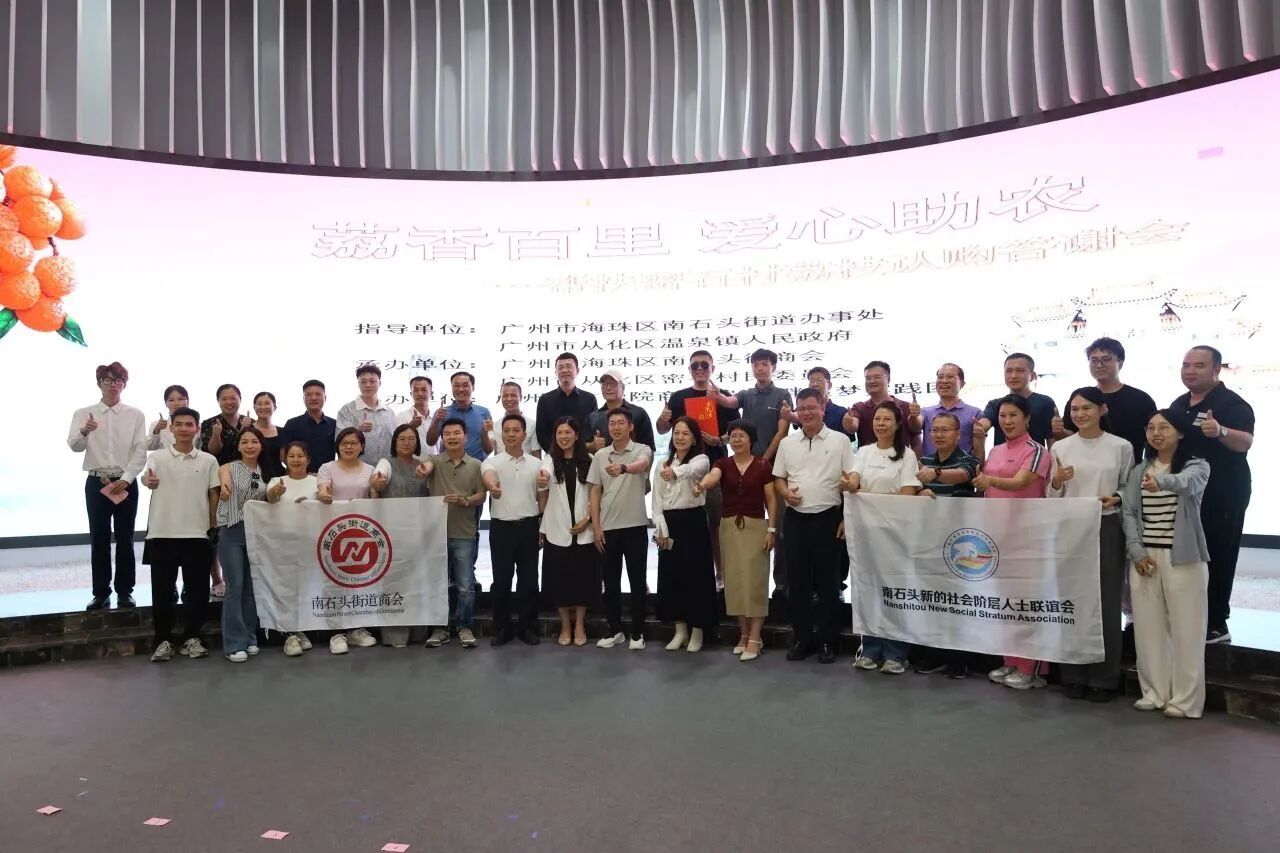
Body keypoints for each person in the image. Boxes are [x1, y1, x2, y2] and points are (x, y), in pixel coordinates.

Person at [1121, 410, 1210, 719]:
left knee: (1188, 630)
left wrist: (1161, 481)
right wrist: (1137, 552)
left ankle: (1186, 701)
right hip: (1146, 558)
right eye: (1151, 428)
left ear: (1180, 433)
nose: (1156, 433)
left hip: (1183, 558)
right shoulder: (1139, 470)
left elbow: (1185, 484)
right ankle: (1154, 692)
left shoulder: (1197, 466)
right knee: (1148, 629)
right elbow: (1129, 512)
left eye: (1164, 427)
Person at [1049, 387, 1134, 702]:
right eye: (1074, 409)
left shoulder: (1120, 446)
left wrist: (1117, 498)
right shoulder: (1061, 446)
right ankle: (1072, 675)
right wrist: (1057, 480)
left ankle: (1104, 677)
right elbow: (1051, 494)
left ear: (1102, 409)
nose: (1080, 414)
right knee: (1072, 599)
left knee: (1106, 601)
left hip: (1106, 524)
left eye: (1086, 408)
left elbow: (1129, 486)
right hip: (1070, 527)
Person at [1171, 345, 1254, 644]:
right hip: (1187, 494)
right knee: (1189, 559)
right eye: (1186, 365)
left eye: (1199, 365)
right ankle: (1190, 616)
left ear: (1216, 369)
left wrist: (1221, 431)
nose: (1190, 371)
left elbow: (1245, 442)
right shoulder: (1179, 404)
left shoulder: (1232, 404)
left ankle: (1217, 623)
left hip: (1223, 493)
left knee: (1218, 555)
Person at [973, 394, 1052, 690]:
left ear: (1027, 419)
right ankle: (1011, 661)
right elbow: (985, 484)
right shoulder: (995, 451)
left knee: (1026, 603)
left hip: (1026, 537)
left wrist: (990, 481)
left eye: (1013, 415)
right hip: (997, 537)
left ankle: (1030, 668)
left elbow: (1021, 482)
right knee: (1005, 602)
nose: (1007, 421)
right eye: (1003, 416)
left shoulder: (1037, 451)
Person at [773, 388, 856, 665]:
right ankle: (802, 638)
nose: (806, 413)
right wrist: (785, 493)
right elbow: (779, 478)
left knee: (829, 582)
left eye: (812, 407)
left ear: (823, 408)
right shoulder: (788, 443)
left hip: (828, 519)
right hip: (796, 520)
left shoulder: (840, 440)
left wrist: (846, 517)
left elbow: (850, 481)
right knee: (797, 583)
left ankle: (828, 640)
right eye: (802, 408)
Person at [843, 401, 922, 674]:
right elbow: (854, 480)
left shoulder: (907, 455)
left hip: (895, 535)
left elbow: (907, 495)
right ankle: (870, 649)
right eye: (877, 419)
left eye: (887, 419)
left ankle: (896, 654)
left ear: (898, 424)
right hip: (865, 533)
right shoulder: (864, 451)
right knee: (868, 590)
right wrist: (850, 484)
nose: (880, 423)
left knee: (894, 593)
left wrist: (867, 496)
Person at [140, 407, 219, 662]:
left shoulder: (208, 460)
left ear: (197, 428)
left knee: (197, 591)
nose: (184, 428)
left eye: (189, 424)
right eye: (179, 424)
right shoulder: (158, 457)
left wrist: (213, 525)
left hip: (197, 534)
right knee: (162, 591)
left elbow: (213, 494)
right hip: (162, 532)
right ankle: (163, 640)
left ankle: (193, 637)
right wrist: (148, 482)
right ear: (171, 428)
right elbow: (147, 478)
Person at [68, 362, 147, 611]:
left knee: (125, 537)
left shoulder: (135, 414)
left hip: (125, 482)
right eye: (107, 380)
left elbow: (140, 450)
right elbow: (74, 446)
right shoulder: (84, 413)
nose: (113, 385)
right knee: (99, 538)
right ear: (99, 383)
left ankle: (125, 592)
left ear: (124, 385)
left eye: (118, 380)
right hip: (97, 481)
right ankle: (101, 593)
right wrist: (84, 431)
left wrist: (127, 478)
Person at [696, 419, 777, 662]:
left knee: (755, 581)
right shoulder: (723, 463)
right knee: (735, 582)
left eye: (742, 435)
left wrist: (771, 529)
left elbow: (771, 500)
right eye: (733, 436)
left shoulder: (762, 465)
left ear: (751, 440)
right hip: (729, 527)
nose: (737, 440)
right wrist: (702, 485)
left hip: (756, 527)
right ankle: (744, 634)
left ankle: (756, 636)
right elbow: (713, 477)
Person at [657, 350, 740, 581]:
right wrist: (662, 419)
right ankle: (688, 575)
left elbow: (736, 432)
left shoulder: (723, 397)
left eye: (705, 364)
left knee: (716, 524)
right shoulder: (678, 397)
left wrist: (719, 440)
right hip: (680, 470)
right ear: (690, 369)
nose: (700, 369)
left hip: (715, 468)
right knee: (682, 523)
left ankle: (720, 574)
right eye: (695, 365)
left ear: (713, 368)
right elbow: (662, 429)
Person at [716, 350, 792, 601]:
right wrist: (716, 395)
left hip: (774, 468)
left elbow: (782, 432)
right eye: (756, 364)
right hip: (745, 470)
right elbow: (729, 402)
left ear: (774, 367)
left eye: (765, 364)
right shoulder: (746, 395)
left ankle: (781, 582)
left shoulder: (782, 395)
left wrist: (764, 460)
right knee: (745, 523)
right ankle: (743, 577)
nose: (760, 368)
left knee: (778, 525)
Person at [913, 411, 981, 678]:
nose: (939, 434)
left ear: (958, 434)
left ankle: (958, 659)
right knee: (932, 600)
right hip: (928, 541)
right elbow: (913, 488)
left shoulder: (969, 460)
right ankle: (933, 654)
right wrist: (921, 490)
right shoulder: (925, 460)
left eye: (945, 430)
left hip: (958, 545)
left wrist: (935, 475)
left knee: (956, 602)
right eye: (935, 430)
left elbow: (961, 476)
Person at [588, 408, 654, 650]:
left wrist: (623, 468)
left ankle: (637, 633)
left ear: (630, 426)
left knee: (637, 581)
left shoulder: (641, 449)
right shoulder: (600, 455)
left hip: (635, 525)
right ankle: (615, 630)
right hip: (607, 527)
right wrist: (596, 526)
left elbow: (642, 465)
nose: (616, 427)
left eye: (620, 423)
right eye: (612, 423)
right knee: (610, 582)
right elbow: (595, 491)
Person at [481, 413, 547, 646]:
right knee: (501, 581)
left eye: (516, 430)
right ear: (501, 434)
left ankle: (527, 627)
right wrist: (493, 487)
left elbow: (542, 496)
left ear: (524, 434)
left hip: (529, 526)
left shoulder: (536, 464)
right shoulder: (492, 462)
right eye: (507, 430)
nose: (511, 434)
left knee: (529, 581)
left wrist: (542, 526)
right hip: (501, 528)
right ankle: (502, 628)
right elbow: (488, 476)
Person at [421, 419, 486, 649]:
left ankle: (464, 627)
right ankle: (440, 629)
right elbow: (425, 467)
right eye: (447, 433)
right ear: (442, 438)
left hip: (464, 532)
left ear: (465, 437)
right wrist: (423, 469)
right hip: (436, 534)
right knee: (439, 585)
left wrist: (465, 500)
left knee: (465, 586)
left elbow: (481, 495)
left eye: (456, 433)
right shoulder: (435, 461)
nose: (451, 437)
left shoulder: (476, 465)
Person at [652, 417, 715, 653]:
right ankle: (680, 630)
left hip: (693, 522)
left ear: (694, 438)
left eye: (685, 433)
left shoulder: (701, 460)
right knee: (672, 576)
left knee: (696, 577)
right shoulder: (662, 463)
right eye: (676, 433)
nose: (680, 437)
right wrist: (661, 529)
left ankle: (698, 630)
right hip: (669, 523)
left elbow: (691, 471)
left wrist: (674, 472)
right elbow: (657, 500)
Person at [316, 427, 380, 654]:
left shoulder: (370, 469)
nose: (349, 447)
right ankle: (336, 633)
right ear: (338, 446)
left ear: (362, 446)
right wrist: (324, 495)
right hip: (334, 532)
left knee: (361, 581)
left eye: (354, 443)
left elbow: (375, 497)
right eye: (344, 443)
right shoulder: (327, 468)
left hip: (362, 533)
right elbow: (323, 488)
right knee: (334, 582)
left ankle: (356, 629)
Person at [539, 417, 601, 646]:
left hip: (585, 529)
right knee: (560, 580)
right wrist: (543, 478)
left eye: (568, 432)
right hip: (558, 529)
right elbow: (544, 475)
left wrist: (589, 519)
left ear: (576, 435)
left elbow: (598, 493)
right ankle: (565, 624)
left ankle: (580, 624)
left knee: (583, 579)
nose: (563, 437)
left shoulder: (590, 460)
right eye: (559, 433)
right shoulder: (549, 460)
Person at [371, 424, 432, 649]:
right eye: (402, 439)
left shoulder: (423, 465)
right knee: (394, 583)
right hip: (392, 534)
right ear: (394, 442)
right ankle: (394, 634)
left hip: (419, 534)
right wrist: (376, 482)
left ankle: (418, 631)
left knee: (417, 582)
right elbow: (378, 478)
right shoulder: (387, 463)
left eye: (411, 439)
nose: (407, 443)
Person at [1053, 337, 1156, 462]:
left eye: (1106, 359)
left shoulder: (1141, 400)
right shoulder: (1079, 398)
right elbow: (1071, 436)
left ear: (1120, 363)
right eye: (1094, 360)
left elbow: (1153, 440)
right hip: (1086, 466)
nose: (1099, 365)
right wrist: (1059, 431)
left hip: (1131, 468)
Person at [215, 427, 268, 663]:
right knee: (235, 586)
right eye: (244, 442)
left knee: (250, 587)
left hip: (257, 532)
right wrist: (225, 489)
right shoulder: (229, 467)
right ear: (238, 446)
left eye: (254, 441)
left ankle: (250, 637)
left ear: (261, 445)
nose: (249, 446)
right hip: (232, 530)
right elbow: (223, 479)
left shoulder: (267, 471)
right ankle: (234, 644)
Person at [265, 442, 320, 658]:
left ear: (308, 459)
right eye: (292, 456)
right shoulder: (276, 481)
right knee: (285, 590)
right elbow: (269, 500)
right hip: (282, 546)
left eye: (300, 455)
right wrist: (275, 493)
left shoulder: (317, 482)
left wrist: (314, 503)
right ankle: (288, 634)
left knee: (305, 590)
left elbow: (327, 506)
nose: (296, 460)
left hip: (310, 545)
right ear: (285, 459)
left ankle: (300, 630)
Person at [973, 353, 1056, 461]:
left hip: (1034, 464)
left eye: (1020, 370)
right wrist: (980, 427)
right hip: (1001, 463)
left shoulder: (1045, 402)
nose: (1013, 376)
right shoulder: (995, 404)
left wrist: (1053, 465)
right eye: (1009, 371)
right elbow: (985, 422)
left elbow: (1051, 439)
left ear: (1032, 375)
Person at [842, 361, 923, 456]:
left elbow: (916, 436)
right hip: (869, 462)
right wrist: (848, 422)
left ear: (888, 380)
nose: (872, 381)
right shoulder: (859, 407)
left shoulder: (905, 406)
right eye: (868, 378)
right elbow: (853, 426)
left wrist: (914, 416)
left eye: (877, 377)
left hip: (901, 462)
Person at [336, 363, 399, 474]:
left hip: (386, 472)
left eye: (372, 381)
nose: (368, 385)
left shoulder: (389, 412)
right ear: (358, 384)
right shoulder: (347, 410)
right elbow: (339, 440)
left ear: (380, 383)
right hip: (356, 471)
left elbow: (396, 442)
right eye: (363, 382)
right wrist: (357, 430)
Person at [535, 352, 598, 453]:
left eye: (569, 366)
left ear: (577, 371)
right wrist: (555, 452)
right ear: (556, 372)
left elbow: (592, 429)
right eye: (561, 367)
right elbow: (541, 432)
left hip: (583, 456)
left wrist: (581, 449)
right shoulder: (545, 400)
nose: (564, 370)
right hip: (555, 457)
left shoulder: (589, 399)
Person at [426, 371, 494, 462]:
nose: (461, 389)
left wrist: (484, 433)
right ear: (452, 388)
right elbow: (430, 442)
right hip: (448, 466)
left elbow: (489, 449)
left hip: (477, 466)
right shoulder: (442, 413)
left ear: (473, 387)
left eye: (465, 385)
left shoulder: (484, 412)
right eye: (456, 386)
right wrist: (435, 421)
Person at [916, 364, 982, 456]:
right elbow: (915, 426)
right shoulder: (925, 412)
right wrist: (913, 416)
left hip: (962, 465)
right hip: (929, 465)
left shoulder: (975, 413)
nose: (944, 381)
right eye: (940, 377)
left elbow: (979, 450)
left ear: (962, 383)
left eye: (950, 377)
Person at [585, 370, 656, 452]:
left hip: (634, 460)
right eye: (604, 384)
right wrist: (591, 445)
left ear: (622, 388)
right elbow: (582, 445)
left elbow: (650, 448)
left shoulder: (639, 413)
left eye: (613, 384)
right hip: (602, 460)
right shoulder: (593, 417)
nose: (608, 388)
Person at [281, 379, 336, 472]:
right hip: (299, 476)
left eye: (318, 394)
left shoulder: (334, 424)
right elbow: (283, 454)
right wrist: (297, 471)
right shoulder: (292, 424)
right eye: (308, 394)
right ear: (303, 398)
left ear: (325, 398)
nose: (313, 398)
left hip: (328, 476)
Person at [200, 383, 255, 465]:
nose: (229, 402)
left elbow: (254, 450)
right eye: (224, 399)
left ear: (240, 399)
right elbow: (213, 452)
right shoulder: (209, 423)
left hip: (246, 469)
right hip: (217, 469)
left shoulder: (251, 423)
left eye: (233, 398)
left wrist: (244, 430)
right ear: (218, 401)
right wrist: (216, 435)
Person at [488, 381, 540, 457]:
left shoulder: (532, 424)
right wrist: (485, 431)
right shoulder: (496, 425)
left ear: (520, 397)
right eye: (505, 396)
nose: (509, 399)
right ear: (500, 398)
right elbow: (489, 449)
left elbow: (536, 453)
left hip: (525, 464)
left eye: (513, 395)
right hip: (500, 464)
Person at [396, 375, 438, 453]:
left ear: (431, 393)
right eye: (415, 390)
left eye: (424, 390)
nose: (420, 393)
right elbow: (396, 442)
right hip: (410, 460)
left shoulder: (436, 417)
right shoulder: (402, 416)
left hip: (435, 460)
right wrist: (410, 427)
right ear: (411, 394)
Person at [806, 366, 852, 437]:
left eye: (819, 380)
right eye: (811, 381)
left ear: (829, 385)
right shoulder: (805, 411)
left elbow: (847, 440)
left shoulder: (841, 413)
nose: (815, 384)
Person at [251, 391, 284, 482]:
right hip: (253, 480)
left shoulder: (282, 431)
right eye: (259, 404)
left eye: (267, 403)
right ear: (254, 407)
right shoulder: (248, 430)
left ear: (275, 407)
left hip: (277, 479)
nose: (263, 407)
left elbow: (285, 459)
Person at [146, 384, 190, 451]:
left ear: (188, 401)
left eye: (180, 399)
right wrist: (156, 431)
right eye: (171, 400)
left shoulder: (197, 425)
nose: (176, 403)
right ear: (166, 403)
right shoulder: (157, 425)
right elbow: (149, 446)